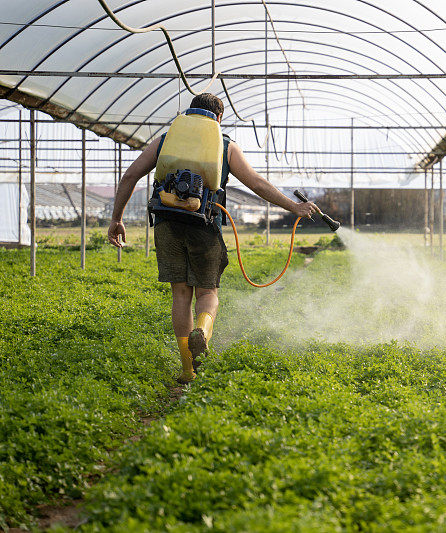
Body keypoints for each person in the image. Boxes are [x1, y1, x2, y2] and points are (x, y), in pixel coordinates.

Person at [107, 93, 319, 384]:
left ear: (190, 111)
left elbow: (129, 176)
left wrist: (117, 219)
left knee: (180, 295)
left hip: (166, 224)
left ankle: (186, 370)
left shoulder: (167, 139)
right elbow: (256, 182)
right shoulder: (225, 144)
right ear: (218, 118)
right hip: (204, 224)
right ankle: (202, 333)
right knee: (207, 294)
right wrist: (294, 206)